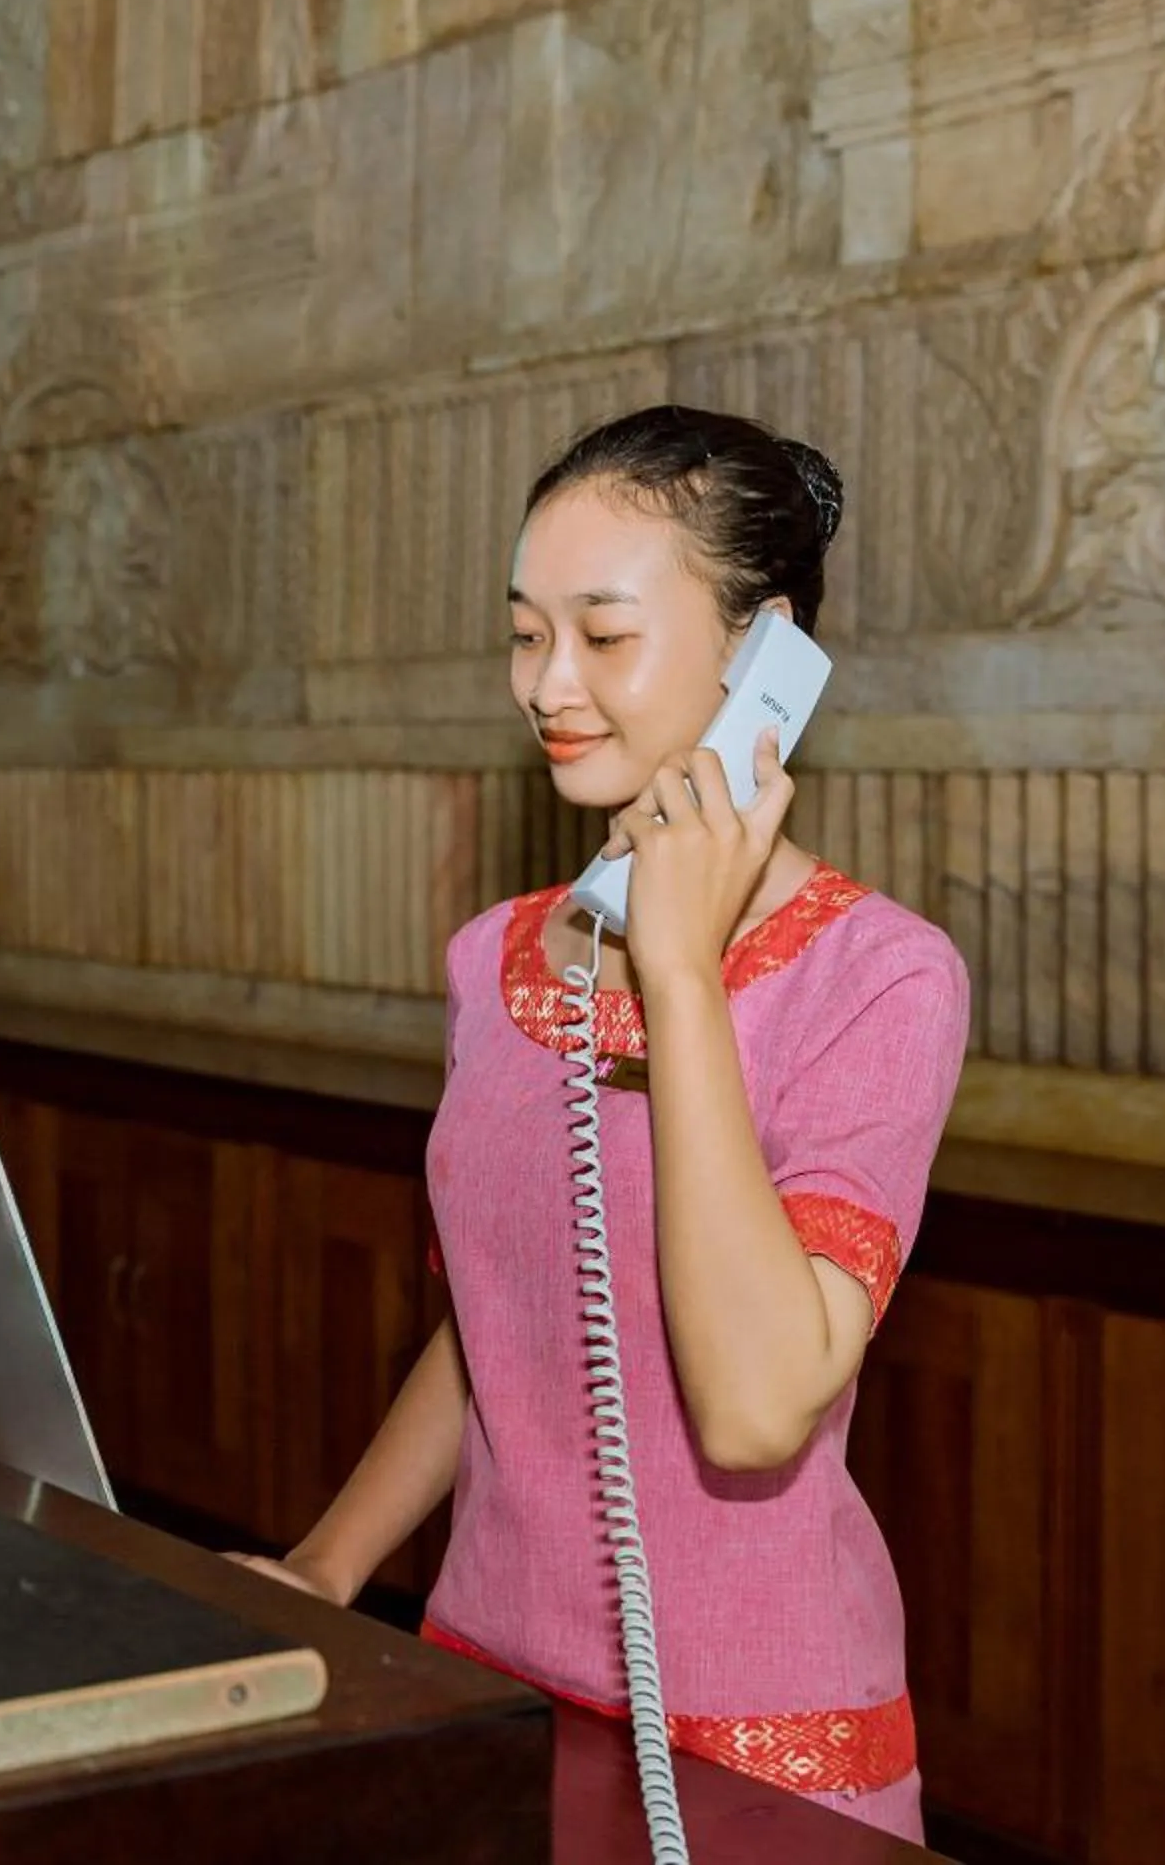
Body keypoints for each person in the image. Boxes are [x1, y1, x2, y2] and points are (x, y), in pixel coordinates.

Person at [232, 406, 970, 1841]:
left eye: (603, 634)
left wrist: (678, 970)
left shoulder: (880, 977)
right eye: (524, 634)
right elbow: (504, 1326)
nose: (549, 683)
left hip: (758, 1758)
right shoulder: (490, 958)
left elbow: (758, 1411)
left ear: (767, 660)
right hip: (482, 1693)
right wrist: (327, 1567)